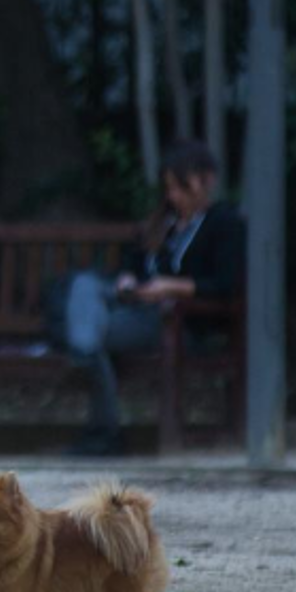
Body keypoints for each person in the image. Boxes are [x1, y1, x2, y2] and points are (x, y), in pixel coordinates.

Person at [63, 141, 244, 456]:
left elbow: (226, 285)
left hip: (178, 323)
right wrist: (129, 280)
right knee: (84, 285)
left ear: (207, 180)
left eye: (182, 188)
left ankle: (100, 417)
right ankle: (85, 347)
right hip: (137, 310)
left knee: (93, 337)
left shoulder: (224, 223)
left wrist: (170, 287)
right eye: (170, 188)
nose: (174, 196)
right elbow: (133, 264)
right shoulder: (164, 223)